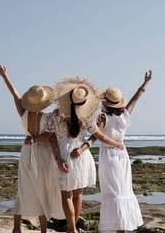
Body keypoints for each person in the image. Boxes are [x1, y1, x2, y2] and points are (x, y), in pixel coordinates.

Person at [73, 70, 152, 233]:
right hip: (122, 156)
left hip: (109, 157)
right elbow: (136, 98)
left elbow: (97, 135)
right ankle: (121, 229)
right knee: (121, 192)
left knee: (115, 193)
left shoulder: (103, 118)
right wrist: (145, 83)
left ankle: (120, 229)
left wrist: (86, 145)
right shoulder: (124, 115)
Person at [0, 62, 64, 233]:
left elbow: (15, 95)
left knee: (23, 189)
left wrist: (5, 76)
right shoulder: (48, 117)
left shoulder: (24, 114)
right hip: (42, 154)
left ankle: (16, 227)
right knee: (42, 190)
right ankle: (43, 230)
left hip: (26, 153)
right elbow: (50, 135)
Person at [47, 76, 123, 233]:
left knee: (66, 196)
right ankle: (72, 229)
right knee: (78, 196)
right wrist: (116, 144)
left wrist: (58, 158)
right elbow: (99, 136)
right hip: (81, 155)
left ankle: (73, 229)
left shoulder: (55, 115)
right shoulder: (86, 117)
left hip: (64, 154)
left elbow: (51, 138)